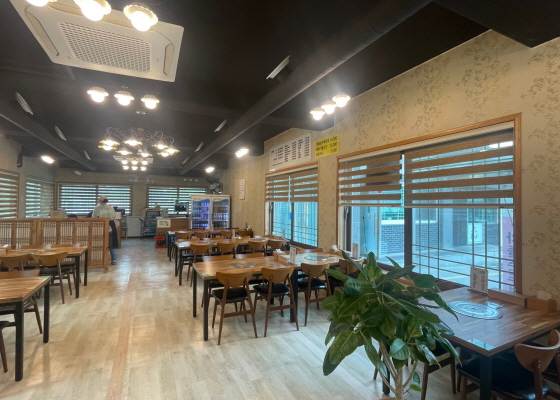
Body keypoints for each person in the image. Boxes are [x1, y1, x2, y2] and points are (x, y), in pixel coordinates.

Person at [92, 196, 118, 265]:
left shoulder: (97, 208)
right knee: (112, 242)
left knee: (100, 242)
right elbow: (114, 216)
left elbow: (93, 217)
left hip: (101, 225)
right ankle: (114, 259)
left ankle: (100, 259)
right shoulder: (111, 208)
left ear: (100, 201)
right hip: (111, 224)